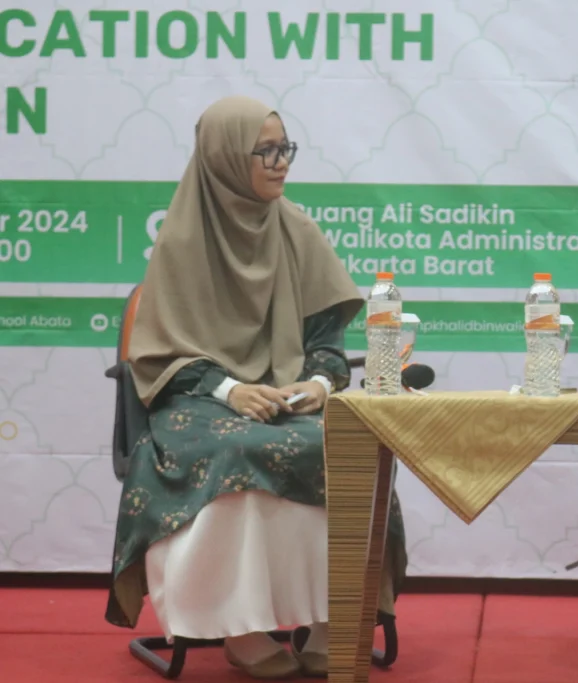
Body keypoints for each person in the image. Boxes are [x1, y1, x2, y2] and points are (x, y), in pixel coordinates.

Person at [104, 95, 408, 680]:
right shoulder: (182, 240)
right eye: (264, 151)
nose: (280, 161)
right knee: (236, 449)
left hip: (288, 398)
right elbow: (160, 354)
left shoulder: (297, 229)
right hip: (198, 402)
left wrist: (318, 383)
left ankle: (332, 619)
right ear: (224, 157)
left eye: (284, 148)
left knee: (343, 445)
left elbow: (326, 341)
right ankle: (239, 629)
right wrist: (229, 391)